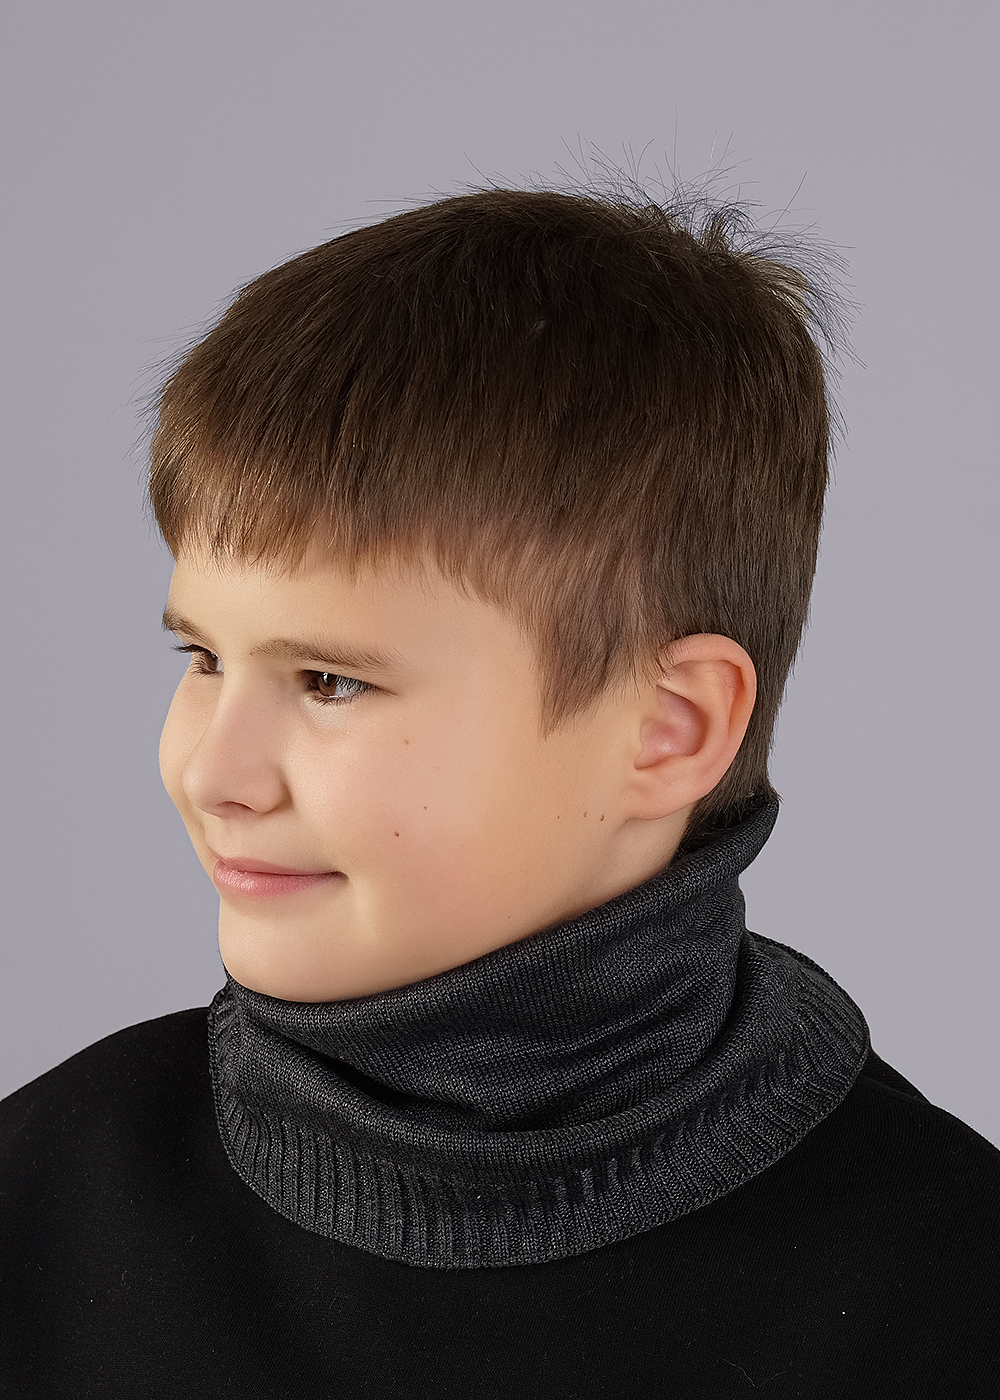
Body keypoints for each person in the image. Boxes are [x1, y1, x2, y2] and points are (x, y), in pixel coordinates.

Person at [1, 183, 997, 1399]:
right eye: (202, 657)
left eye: (330, 680)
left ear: (667, 729)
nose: (213, 773)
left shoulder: (947, 1291)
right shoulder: (40, 1195)